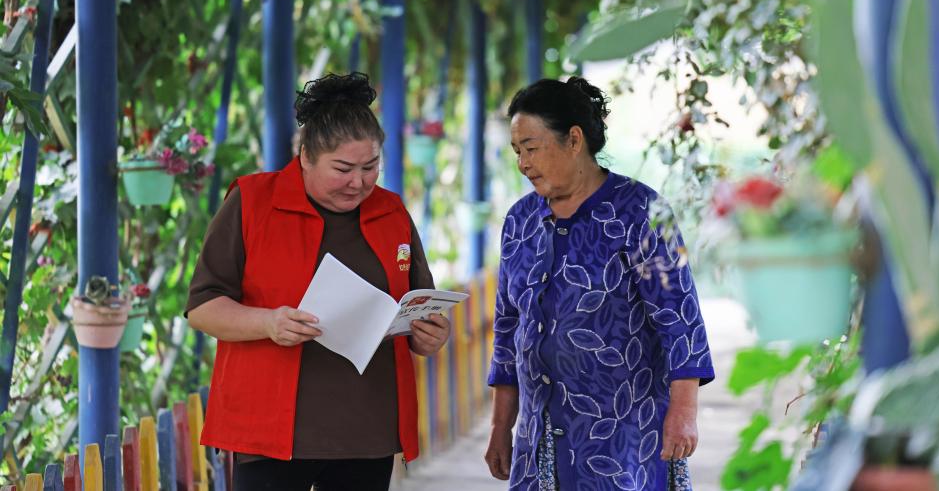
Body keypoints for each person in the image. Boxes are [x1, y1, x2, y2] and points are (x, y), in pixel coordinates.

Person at [186, 72, 451, 491]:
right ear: (305, 156)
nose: (358, 182)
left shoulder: (391, 211)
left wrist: (429, 335)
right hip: (268, 429)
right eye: (343, 168)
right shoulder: (252, 202)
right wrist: (268, 323)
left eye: (370, 167)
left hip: (367, 428)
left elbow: (417, 306)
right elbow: (202, 306)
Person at [484, 77, 715, 491]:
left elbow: (680, 318)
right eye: (517, 151)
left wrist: (684, 413)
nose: (523, 163)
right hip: (540, 439)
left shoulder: (642, 211)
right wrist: (501, 426)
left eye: (531, 148)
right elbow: (508, 332)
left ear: (574, 139)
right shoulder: (520, 221)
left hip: (624, 438)